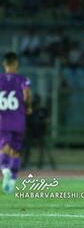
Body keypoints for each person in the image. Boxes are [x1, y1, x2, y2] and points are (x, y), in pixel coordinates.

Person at [0, 52, 32, 193]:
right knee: (16, 151)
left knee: (4, 148)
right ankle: (12, 181)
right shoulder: (22, 79)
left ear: (4, 64)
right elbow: (26, 94)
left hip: (3, 120)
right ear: (16, 64)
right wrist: (28, 106)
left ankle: (5, 170)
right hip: (18, 120)